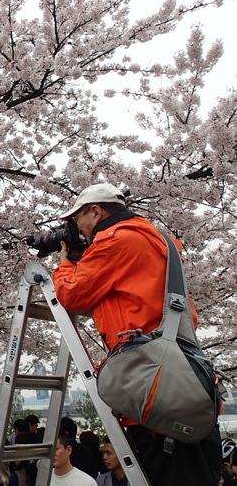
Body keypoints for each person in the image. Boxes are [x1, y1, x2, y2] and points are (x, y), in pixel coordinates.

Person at [52, 183, 222, 486]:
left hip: (153, 393)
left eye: (78, 218)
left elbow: (73, 294)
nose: (76, 227)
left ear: (96, 211)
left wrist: (65, 266)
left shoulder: (114, 240)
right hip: (183, 381)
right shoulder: (160, 240)